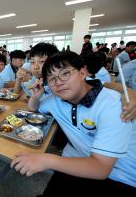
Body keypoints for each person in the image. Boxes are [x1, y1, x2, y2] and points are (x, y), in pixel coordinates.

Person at [11, 51, 136, 196]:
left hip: (122, 177)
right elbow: (33, 108)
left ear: (82, 73)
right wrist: (36, 96)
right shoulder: (55, 98)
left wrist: (46, 159)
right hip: (78, 159)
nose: (58, 82)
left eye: (65, 73)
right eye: (51, 78)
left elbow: (101, 168)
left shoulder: (114, 106)